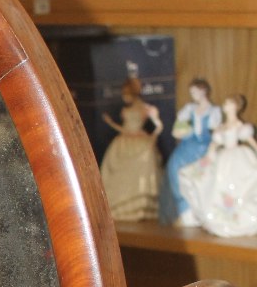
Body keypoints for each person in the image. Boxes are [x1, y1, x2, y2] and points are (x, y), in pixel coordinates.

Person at [178, 94, 257, 237]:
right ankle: (220, 218)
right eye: (225, 103)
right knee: (214, 184)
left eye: (228, 103)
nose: (225, 106)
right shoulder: (222, 126)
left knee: (240, 185)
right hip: (223, 157)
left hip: (237, 158)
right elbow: (214, 145)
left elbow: (251, 142)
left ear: (235, 107)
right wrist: (207, 157)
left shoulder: (239, 125)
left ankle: (240, 219)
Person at [99, 78, 163, 221]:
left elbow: (158, 125)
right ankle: (118, 207)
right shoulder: (125, 110)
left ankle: (140, 207)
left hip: (139, 140)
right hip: (124, 141)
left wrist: (154, 135)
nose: (124, 98)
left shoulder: (144, 109)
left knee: (139, 169)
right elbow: (124, 128)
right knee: (115, 170)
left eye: (126, 95)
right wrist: (110, 123)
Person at [160, 78, 222, 224]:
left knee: (204, 174)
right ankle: (185, 209)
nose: (192, 95)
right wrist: (183, 131)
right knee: (175, 167)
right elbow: (177, 131)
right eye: (191, 92)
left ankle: (202, 210)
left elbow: (216, 133)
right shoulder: (189, 109)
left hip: (205, 146)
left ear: (203, 91)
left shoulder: (214, 111)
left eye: (194, 91)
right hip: (188, 145)